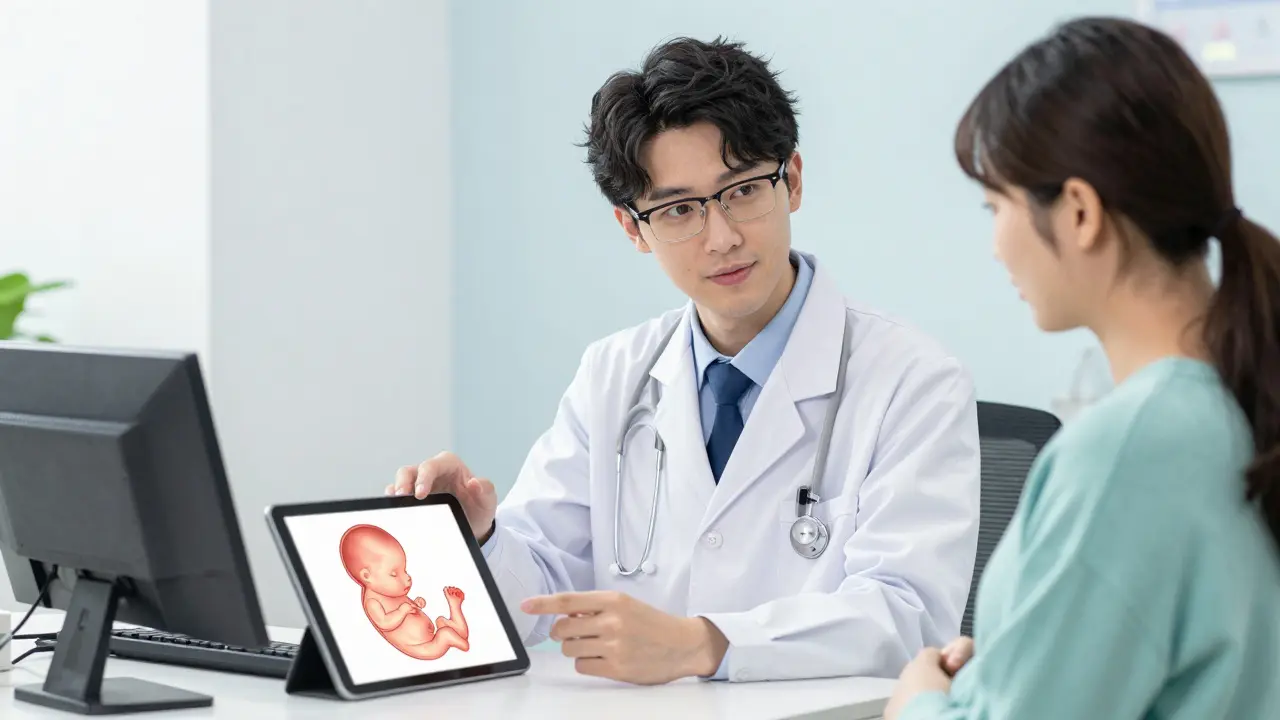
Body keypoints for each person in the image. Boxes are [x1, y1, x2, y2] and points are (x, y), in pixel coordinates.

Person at [388, 37, 981, 685]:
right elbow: (539, 593)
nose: (722, 236)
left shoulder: (912, 379)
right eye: (678, 210)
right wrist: (479, 538)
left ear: (795, 180)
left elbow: (909, 615)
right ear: (632, 229)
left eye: (744, 190)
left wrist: (707, 644)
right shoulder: (614, 374)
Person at [886, 16, 1280, 719]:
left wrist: (918, 702)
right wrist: (1012, 666)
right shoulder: (1243, 398)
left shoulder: (1129, 450)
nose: (997, 247)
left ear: (1078, 212)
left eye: (996, 206)